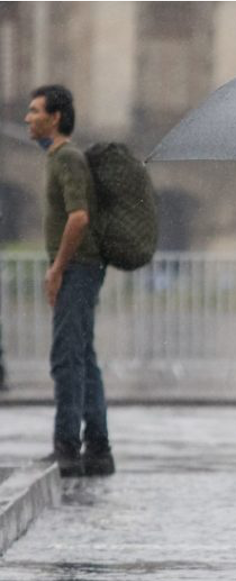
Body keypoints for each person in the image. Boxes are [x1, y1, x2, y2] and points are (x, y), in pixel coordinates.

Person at [25, 85, 112, 477]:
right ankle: (97, 448)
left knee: (66, 357)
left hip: (78, 268)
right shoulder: (58, 158)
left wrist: (57, 268)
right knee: (83, 357)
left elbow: (79, 217)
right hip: (79, 267)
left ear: (55, 117)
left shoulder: (67, 158)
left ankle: (66, 448)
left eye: (34, 110)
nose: (27, 117)